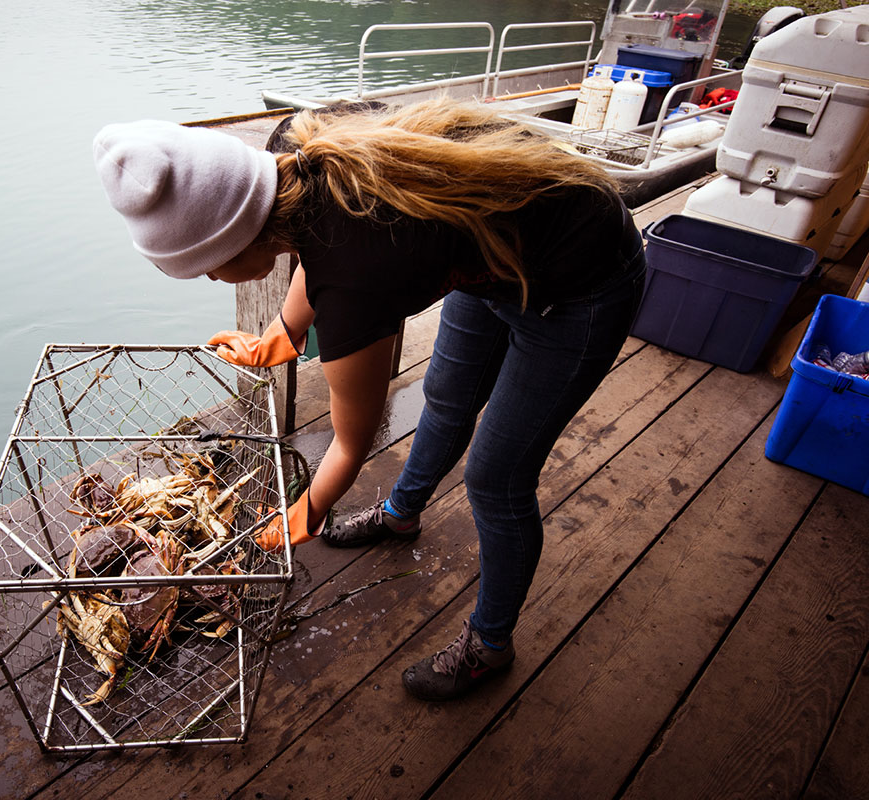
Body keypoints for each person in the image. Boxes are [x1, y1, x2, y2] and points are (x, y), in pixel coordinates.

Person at [92, 98, 646, 701]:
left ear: (232, 239)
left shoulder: (357, 281)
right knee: (445, 398)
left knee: (496, 479)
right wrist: (284, 332)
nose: (210, 280)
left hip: (580, 281)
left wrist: (306, 511)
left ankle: (491, 644)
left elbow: (352, 441)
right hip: (491, 251)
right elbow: (315, 243)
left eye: (203, 268)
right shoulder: (292, 160)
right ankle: (402, 513)